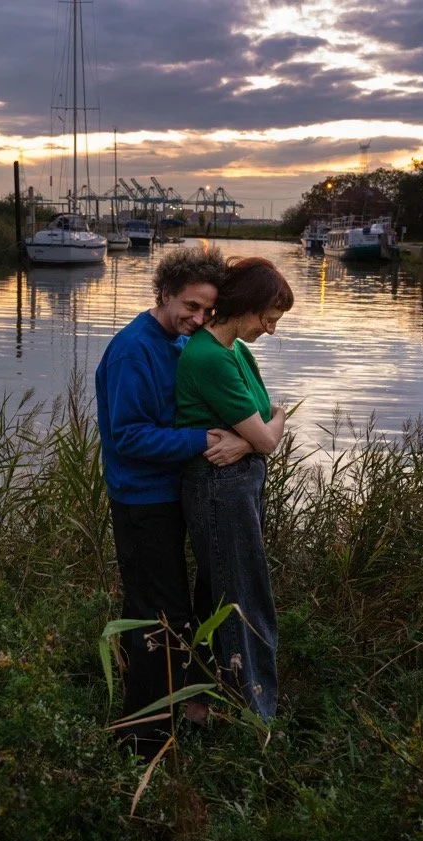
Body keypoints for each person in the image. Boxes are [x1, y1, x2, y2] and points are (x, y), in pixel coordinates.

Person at [94, 246, 252, 759]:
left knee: (153, 610)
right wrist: (204, 441)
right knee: (162, 617)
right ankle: (142, 743)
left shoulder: (182, 344)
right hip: (141, 501)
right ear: (164, 294)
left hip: (175, 494)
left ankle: (154, 705)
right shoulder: (133, 350)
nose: (199, 318)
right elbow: (128, 438)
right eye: (190, 306)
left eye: (208, 310)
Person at [175, 256, 294, 722]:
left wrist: (252, 439)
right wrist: (261, 436)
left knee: (219, 592)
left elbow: (269, 422)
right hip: (218, 488)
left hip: (238, 483)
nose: (270, 330)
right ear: (246, 306)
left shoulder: (236, 353)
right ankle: (255, 714)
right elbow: (268, 435)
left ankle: (203, 704)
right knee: (244, 598)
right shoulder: (207, 357)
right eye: (268, 319)